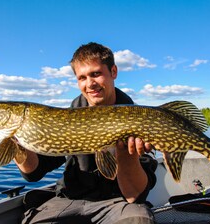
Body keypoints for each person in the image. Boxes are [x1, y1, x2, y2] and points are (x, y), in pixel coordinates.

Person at [17, 42, 158, 224]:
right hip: (68, 200)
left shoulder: (140, 120)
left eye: (96, 74)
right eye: (82, 78)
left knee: (139, 219)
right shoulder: (68, 119)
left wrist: (126, 154)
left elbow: (134, 196)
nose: (90, 84)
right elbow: (34, 173)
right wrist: (15, 141)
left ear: (113, 72)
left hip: (116, 203)